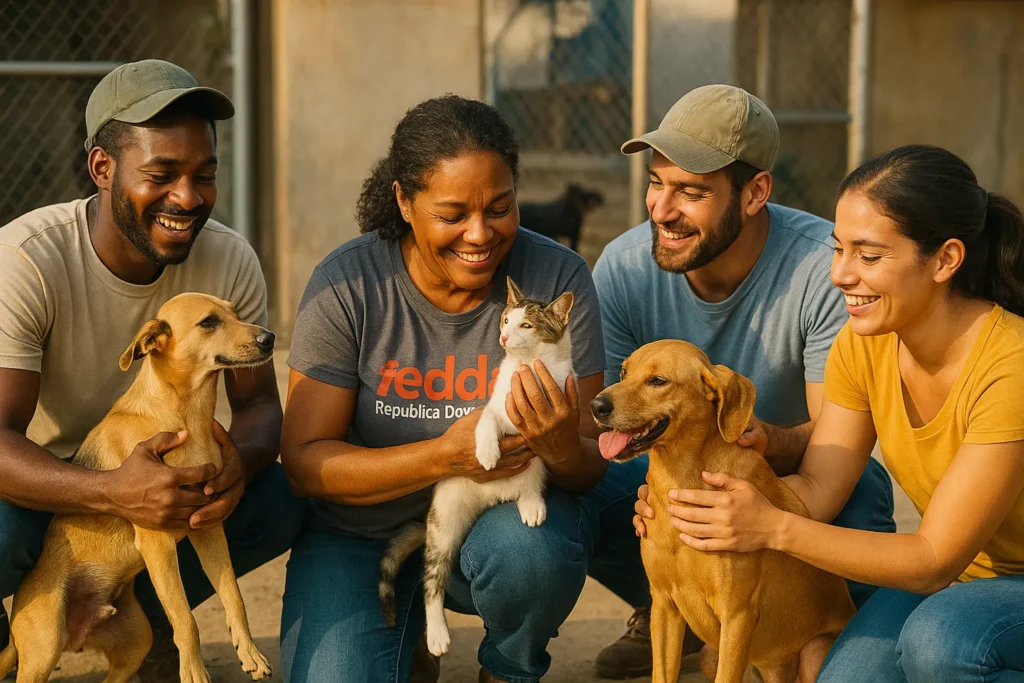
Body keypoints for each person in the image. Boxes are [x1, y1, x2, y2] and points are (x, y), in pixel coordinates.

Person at [634, 144, 1024, 682]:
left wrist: (769, 527)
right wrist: (700, 512)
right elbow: (817, 491)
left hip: (980, 580)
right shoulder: (866, 343)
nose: (839, 274)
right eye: (838, 249)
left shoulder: (1012, 364)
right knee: (846, 677)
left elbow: (933, 556)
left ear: (945, 259)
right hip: (953, 580)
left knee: (941, 643)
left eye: (868, 256)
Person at [279, 95, 608, 683]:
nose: (480, 235)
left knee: (533, 555)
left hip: (493, 522)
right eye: (453, 214)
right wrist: (441, 456)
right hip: (358, 533)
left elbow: (588, 469)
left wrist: (559, 445)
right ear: (405, 202)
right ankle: (404, 643)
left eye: (500, 208)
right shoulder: (348, 283)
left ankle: (508, 667)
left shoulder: (556, 279)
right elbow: (304, 464)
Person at [0, 59, 306, 680]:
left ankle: (159, 622)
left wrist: (229, 472)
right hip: (46, 490)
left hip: (174, 487)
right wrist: (112, 491)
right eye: (162, 174)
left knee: (279, 496)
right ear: (103, 169)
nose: (188, 198)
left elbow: (258, 410)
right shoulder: (27, 260)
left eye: (205, 175)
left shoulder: (228, 261)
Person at [584, 84, 897, 679]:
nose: (661, 209)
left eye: (691, 191)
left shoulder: (822, 271)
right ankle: (673, 599)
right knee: (576, 490)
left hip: (783, 477)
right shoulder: (625, 266)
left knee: (863, 494)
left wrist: (764, 443)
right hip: (669, 468)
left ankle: (828, 636)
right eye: (657, 182)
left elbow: (838, 434)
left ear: (755, 193)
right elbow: (607, 415)